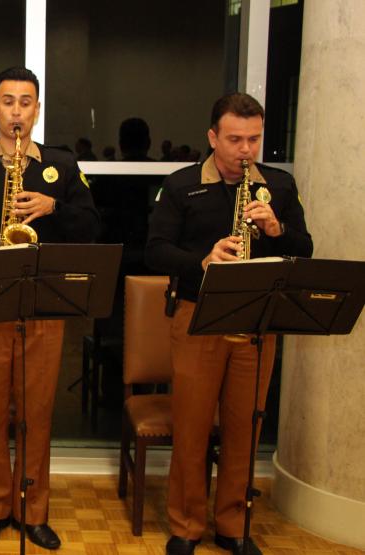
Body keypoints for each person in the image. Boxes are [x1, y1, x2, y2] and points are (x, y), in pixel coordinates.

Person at [0, 67, 99, 550]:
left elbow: (90, 224)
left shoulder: (62, 166)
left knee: (38, 412)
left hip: (44, 307)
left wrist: (53, 209)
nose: (17, 111)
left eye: (26, 102)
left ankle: (33, 509)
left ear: (37, 109)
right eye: (8, 102)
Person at [145, 92, 313, 555]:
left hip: (258, 322)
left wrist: (277, 230)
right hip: (198, 316)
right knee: (192, 428)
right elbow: (155, 248)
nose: (245, 151)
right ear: (213, 137)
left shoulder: (277, 185)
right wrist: (203, 260)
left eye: (253, 140)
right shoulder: (182, 186)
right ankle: (185, 526)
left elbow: (305, 248)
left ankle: (233, 525)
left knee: (245, 428)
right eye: (235, 139)